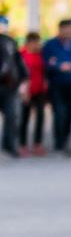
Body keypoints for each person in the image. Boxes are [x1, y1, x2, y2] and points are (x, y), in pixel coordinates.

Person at [40, 17, 71, 152]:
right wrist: (58, 66)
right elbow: (45, 63)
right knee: (59, 112)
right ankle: (58, 141)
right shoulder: (50, 45)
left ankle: (65, 138)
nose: (67, 32)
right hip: (56, 83)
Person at [21, 31, 48, 155]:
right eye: (34, 42)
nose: (36, 45)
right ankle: (23, 144)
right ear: (28, 43)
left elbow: (45, 70)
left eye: (38, 42)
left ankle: (38, 144)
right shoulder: (22, 54)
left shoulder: (41, 55)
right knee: (24, 117)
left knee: (41, 117)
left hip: (40, 90)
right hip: (26, 90)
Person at [0, 15, 23, 157]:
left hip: (9, 86)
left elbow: (17, 63)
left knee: (12, 116)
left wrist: (24, 80)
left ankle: (9, 145)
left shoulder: (10, 42)